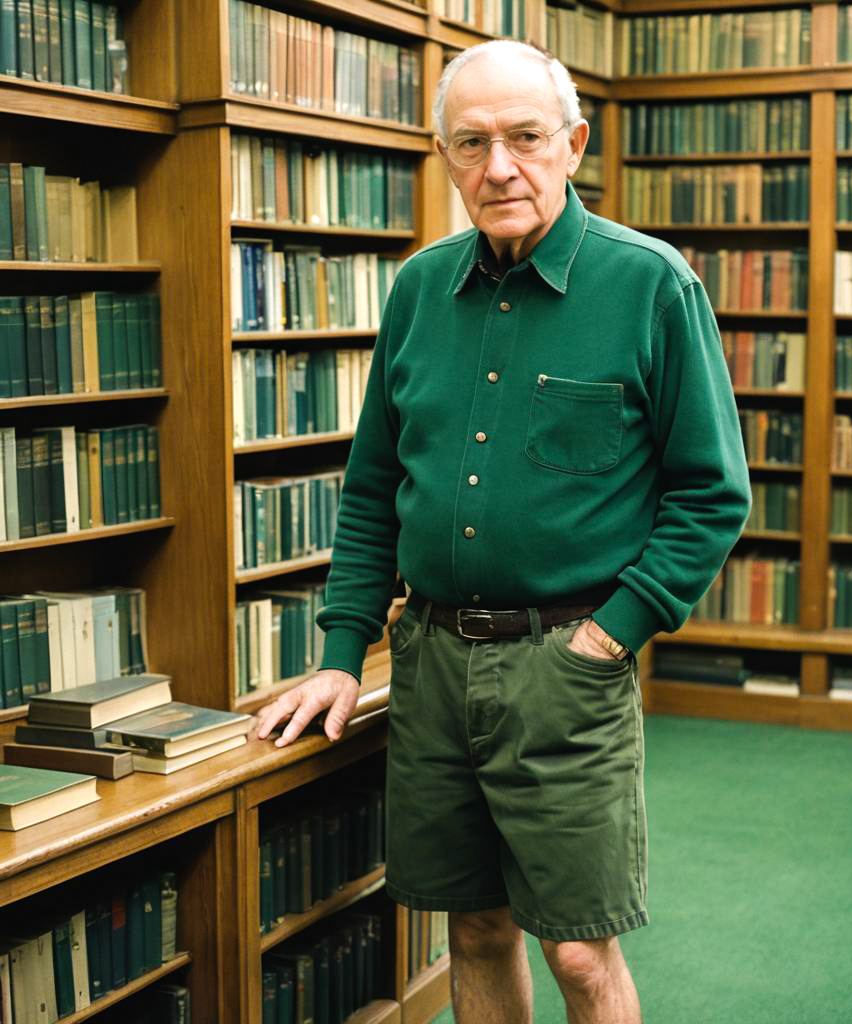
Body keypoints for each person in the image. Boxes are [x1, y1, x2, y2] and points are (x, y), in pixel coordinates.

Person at [255, 39, 750, 1024]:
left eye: (524, 138)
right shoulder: (416, 290)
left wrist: (607, 639)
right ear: (444, 157)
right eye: (471, 143)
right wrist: (343, 655)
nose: (499, 167)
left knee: (577, 950)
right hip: (430, 664)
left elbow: (711, 493)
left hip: (566, 667)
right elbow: (372, 489)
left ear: (572, 143)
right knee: (473, 928)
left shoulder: (651, 285)